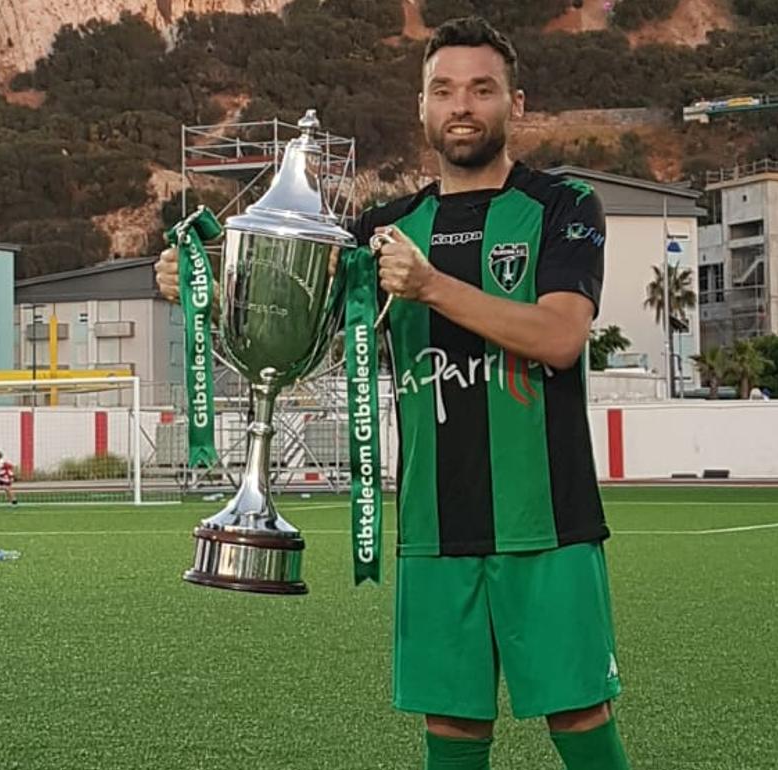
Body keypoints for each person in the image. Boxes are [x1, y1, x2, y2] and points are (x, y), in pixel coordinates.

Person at [153, 16, 628, 770]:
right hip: (433, 525)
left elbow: (560, 337)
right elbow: (300, 333)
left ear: (517, 104)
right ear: (422, 108)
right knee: (452, 727)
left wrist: (433, 286)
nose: (462, 106)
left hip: (549, 521)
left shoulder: (562, 207)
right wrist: (205, 289)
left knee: (578, 712)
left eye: (481, 89)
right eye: (444, 90)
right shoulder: (384, 230)